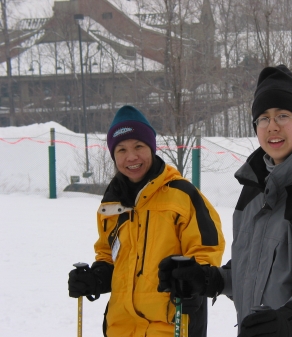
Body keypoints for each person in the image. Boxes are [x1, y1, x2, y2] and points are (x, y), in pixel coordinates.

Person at [158, 65, 292, 337]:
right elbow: (257, 270)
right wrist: (211, 280)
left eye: (283, 115)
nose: (272, 126)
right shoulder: (254, 190)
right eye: (263, 118)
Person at [68, 105, 225, 337]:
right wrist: (96, 278)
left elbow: (207, 250)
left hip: (172, 325)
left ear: (151, 148)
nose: (131, 157)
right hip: (120, 328)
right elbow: (109, 256)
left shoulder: (182, 195)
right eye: (121, 149)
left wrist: (195, 280)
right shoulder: (111, 205)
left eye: (139, 146)